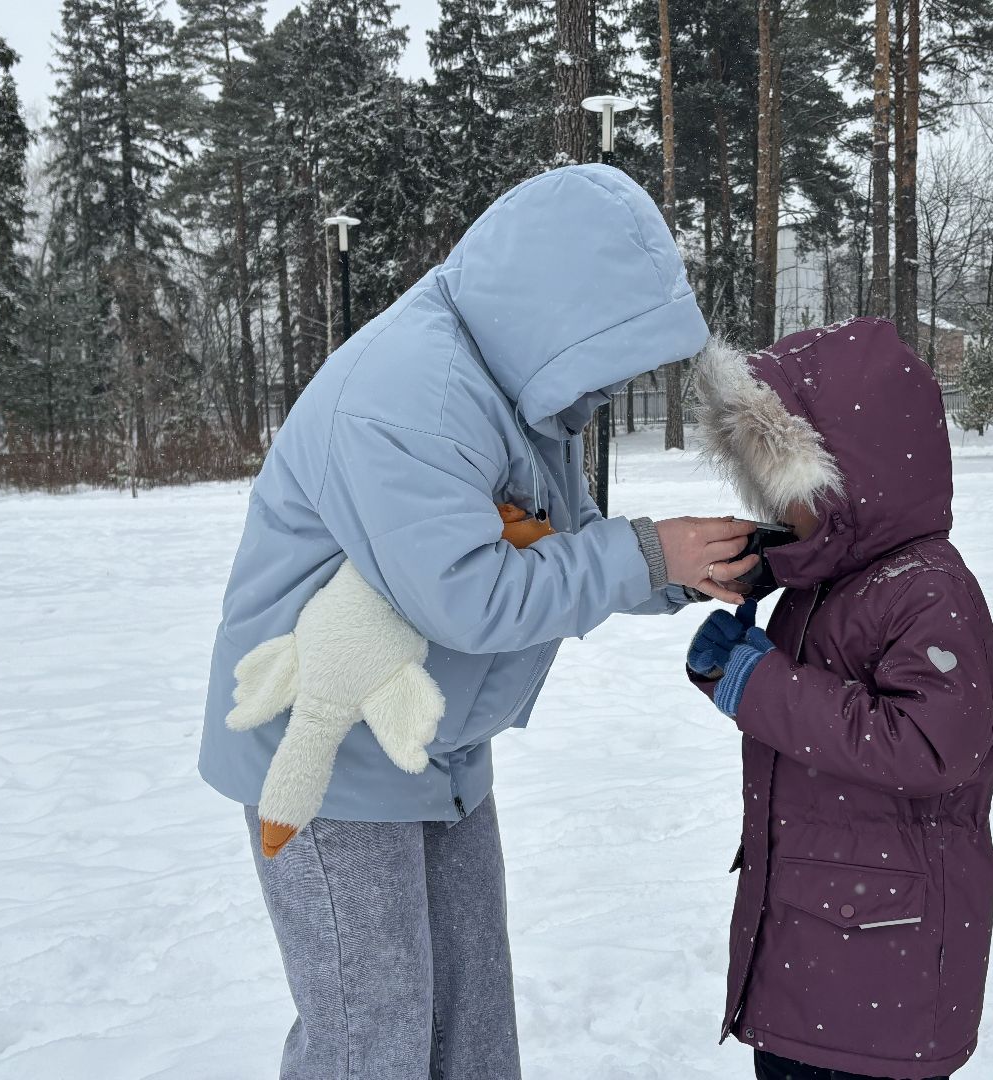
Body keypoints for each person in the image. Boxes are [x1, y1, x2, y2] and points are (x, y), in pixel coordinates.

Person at [197, 163, 757, 1080]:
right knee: (372, 1040)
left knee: (471, 1026)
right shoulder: (407, 394)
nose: (616, 384)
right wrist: (650, 554)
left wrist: (689, 572)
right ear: (563, 312)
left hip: (433, 747)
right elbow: (467, 594)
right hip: (328, 758)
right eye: (616, 350)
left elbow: (560, 544)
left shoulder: (517, 385)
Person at [685, 317, 993, 1080]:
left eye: (783, 486)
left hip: (878, 974)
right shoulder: (830, 583)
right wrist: (759, 587)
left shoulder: (926, 588)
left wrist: (756, 684)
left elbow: (932, 744)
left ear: (849, 476)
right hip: (814, 954)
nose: (772, 504)